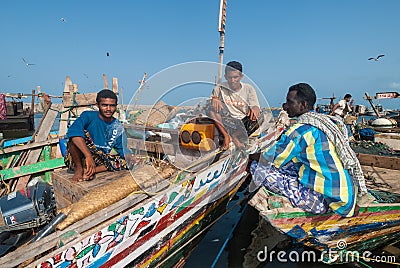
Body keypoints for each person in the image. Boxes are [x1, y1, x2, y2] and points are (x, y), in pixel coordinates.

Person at [251, 83, 367, 217]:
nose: (285, 106)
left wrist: (249, 157)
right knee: (289, 164)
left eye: (289, 102)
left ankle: (307, 202)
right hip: (345, 195)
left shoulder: (300, 130)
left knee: (257, 167)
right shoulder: (323, 122)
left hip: (327, 201)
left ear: (303, 105)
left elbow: (270, 157)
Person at [65, 89, 129, 182]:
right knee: (74, 139)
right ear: (97, 105)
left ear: (116, 106)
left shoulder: (117, 125)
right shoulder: (88, 116)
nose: (108, 109)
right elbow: (73, 132)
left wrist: (130, 157)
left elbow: (122, 148)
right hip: (80, 157)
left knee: (125, 162)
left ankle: (91, 170)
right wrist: (88, 156)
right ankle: (79, 169)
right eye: (104, 105)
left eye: (112, 106)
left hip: (99, 160)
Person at [209, 61, 261, 150]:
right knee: (211, 110)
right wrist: (214, 99)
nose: (232, 80)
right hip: (228, 121)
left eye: (235, 77)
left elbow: (255, 106)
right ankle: (226, 136)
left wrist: (255, 109)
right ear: (226, 77)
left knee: (261, 117)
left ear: (241, 76)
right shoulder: (220, 87)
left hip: (243, 122)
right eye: (230, 77)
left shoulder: (249, 88)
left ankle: (234, 136)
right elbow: (211, 101)